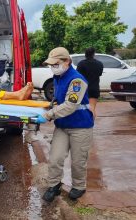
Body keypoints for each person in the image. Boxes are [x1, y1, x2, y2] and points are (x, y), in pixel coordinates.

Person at [37, 47, 94, 202]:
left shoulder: (77, 80)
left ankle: (79, 186)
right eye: (51, 65)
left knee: (78, 161)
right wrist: (51, 104)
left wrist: (48, 115)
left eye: (56, 64)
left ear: (67, 61)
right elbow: (59, 98)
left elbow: (70, 105)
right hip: (62, 126)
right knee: (55, 158)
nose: (53, 67)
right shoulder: (58, 77)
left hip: (81, 126)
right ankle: (54, 185)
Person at [76, 47, 103, 117]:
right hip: (94, 88)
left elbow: (77, 76)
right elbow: (99, 74)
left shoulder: (81, 64)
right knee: (92, 108)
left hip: (83, 89)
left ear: (85, 54)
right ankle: (91, 125)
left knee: (84, 110)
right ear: (94, 54)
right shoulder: (99, 64)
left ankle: (87, 125)